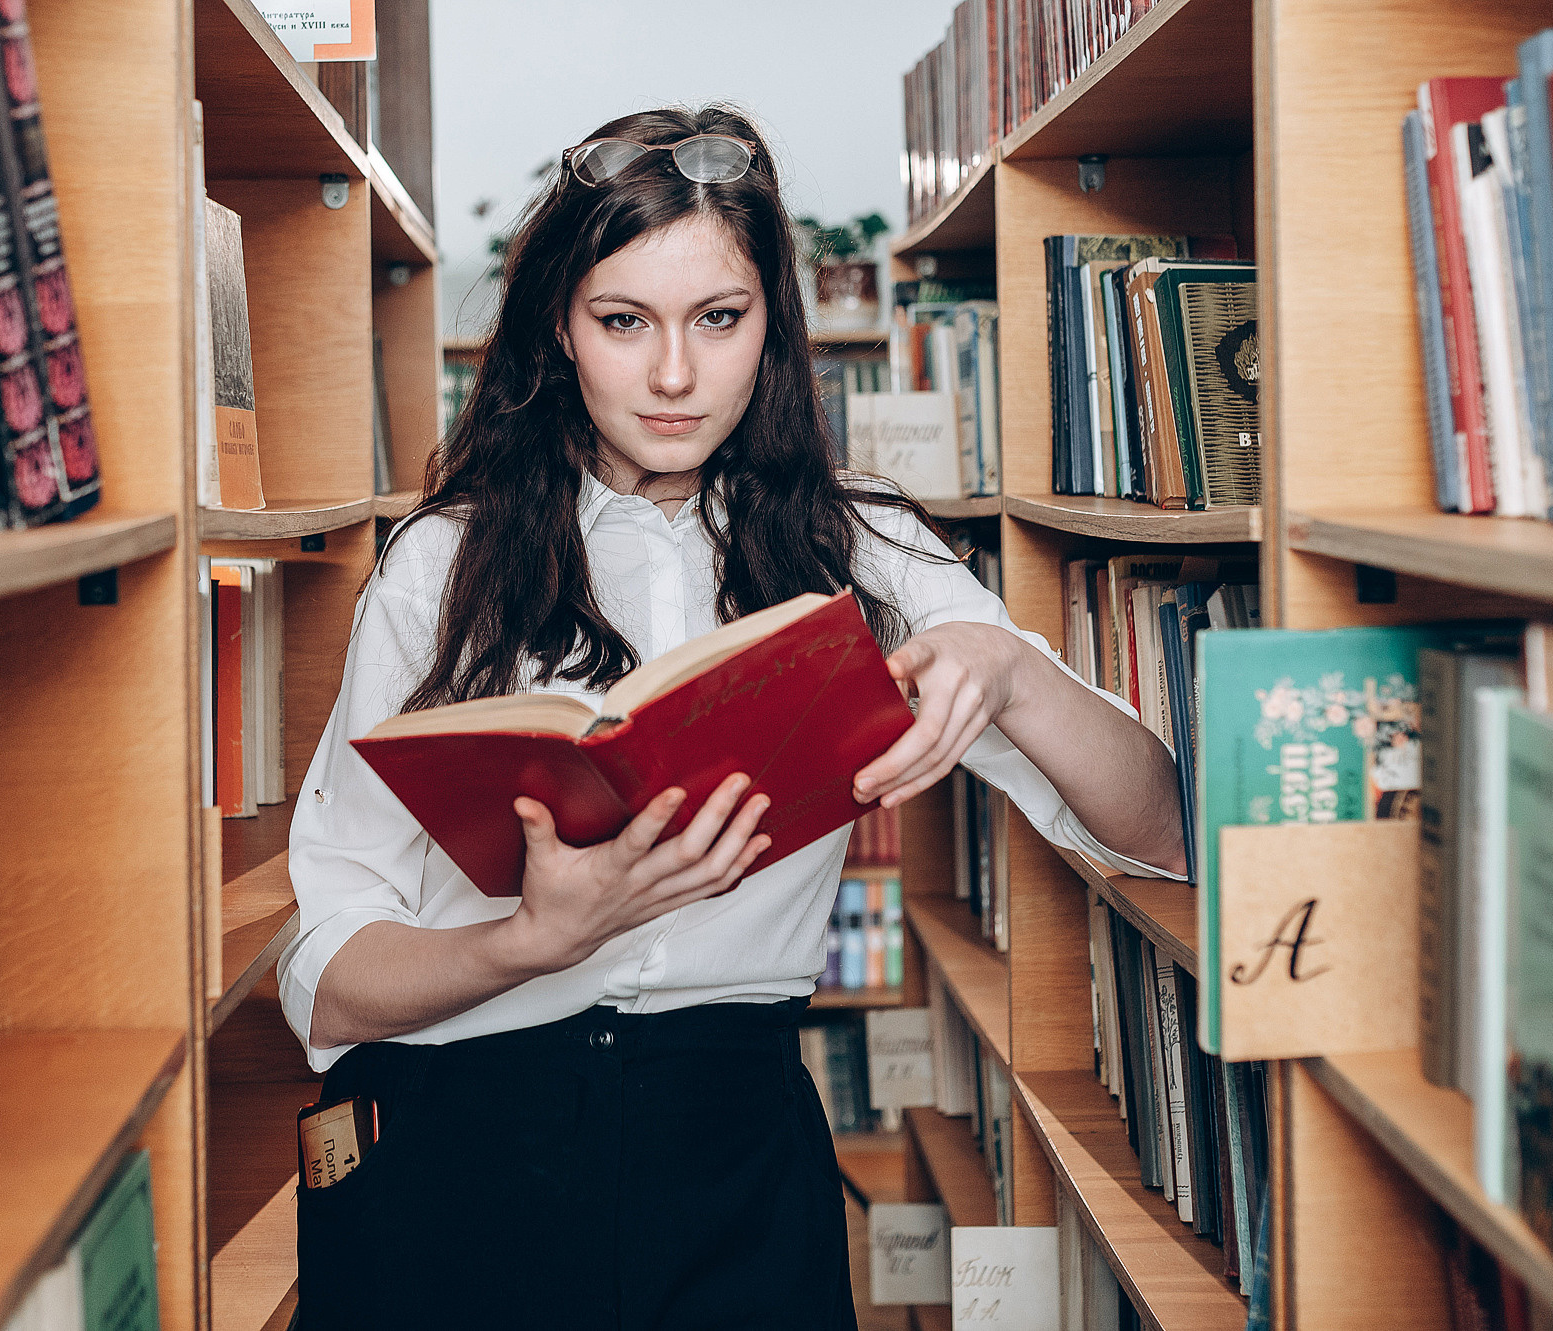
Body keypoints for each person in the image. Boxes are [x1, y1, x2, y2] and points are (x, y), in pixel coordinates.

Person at [277, 104, 1184, 1330]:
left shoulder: (866, 544)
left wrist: (1009, 670)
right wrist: (531, 942)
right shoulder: (439, 564)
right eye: (621, 321)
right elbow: (325, 978)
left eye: (718, 318)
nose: (670, 375)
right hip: (463, 1144)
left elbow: (1160, 832)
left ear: (773, 321)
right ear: (558, 326)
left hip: (734, 1146)